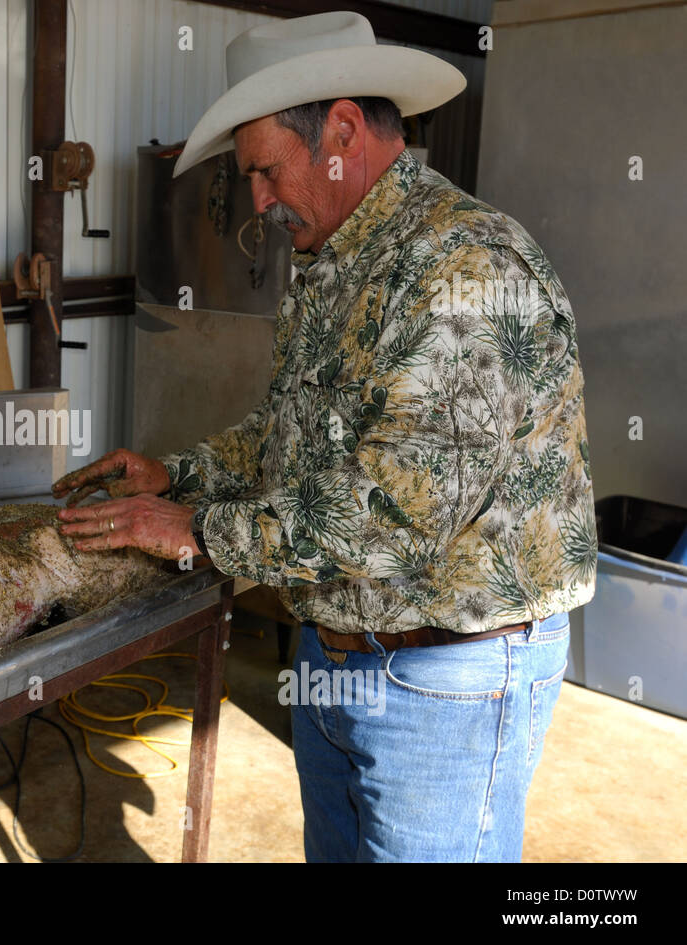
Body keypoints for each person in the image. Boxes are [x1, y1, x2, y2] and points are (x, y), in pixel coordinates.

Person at [53, 11, 596, 862]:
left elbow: (392, 510)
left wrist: (199, 532)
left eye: (266, 172)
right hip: (337, 657)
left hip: (442, 681)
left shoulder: (463, 267)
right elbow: (294, 437)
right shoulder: (339, 260)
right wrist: (181, 475)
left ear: (341, 129)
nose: (260, 202)